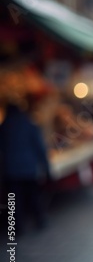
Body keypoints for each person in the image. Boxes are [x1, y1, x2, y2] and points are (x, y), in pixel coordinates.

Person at [0, 100, 51, 234]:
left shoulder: (4, 127)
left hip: (11, 170)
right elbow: (40, 146)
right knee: (34, 196)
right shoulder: (29, 124)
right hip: (29, 167)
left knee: (13, 200)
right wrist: (46, 167)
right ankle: (40, 220)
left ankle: (16, 227)